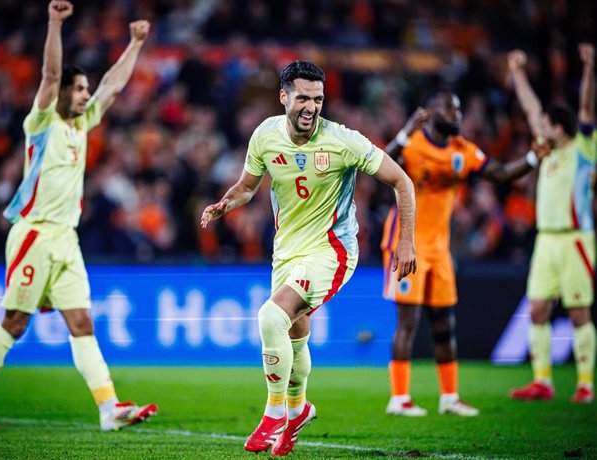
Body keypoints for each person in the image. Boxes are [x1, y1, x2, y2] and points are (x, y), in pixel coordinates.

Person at [0, 0, 157, 430]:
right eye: (80, 89)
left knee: (82, 322)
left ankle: (109, 409)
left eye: (86, 89)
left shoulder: (83, 125)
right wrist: (54, 24)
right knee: (15, 322)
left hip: (66, 237)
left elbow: (113, 87)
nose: (86, 95)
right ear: (63, 93)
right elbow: (49, 74)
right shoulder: (42, 123)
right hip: (33, 235)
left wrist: (135, 44)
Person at [201, 61, 417, 456]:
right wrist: (225, 203)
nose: (311, 107)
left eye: (317, 99)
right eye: (302, 97)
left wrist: (406, 241)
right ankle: (299, 410)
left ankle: (274, 413)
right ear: (283, 97)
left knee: (270, 317)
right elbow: (248, 187)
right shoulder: (265, 135)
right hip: (286, 252)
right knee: (295, 336)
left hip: (331, 251)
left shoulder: (343, 141)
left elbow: (402, 180)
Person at [381, 89, 550, 416]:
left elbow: (499, 173)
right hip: (405, 244)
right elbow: (379, 166)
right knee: (408, 323)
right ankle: (399, 398)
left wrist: (532, 158)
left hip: (440, 249)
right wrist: (404, 132)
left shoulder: (462, 151)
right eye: (450, 109)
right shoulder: (414, 145)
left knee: (444, 323)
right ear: (431, 112)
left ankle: (449, 397)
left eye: (459, 109)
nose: (457, 115)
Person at [507, 44, 596, 404]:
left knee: (578, 312)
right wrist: (516, 72)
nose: (539, 127)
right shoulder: (548, 149)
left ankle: (586, 384)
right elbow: (530, 108)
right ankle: (542, 381)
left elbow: (587, 107)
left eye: (545, 124)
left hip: (576, 238)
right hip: (546, 240)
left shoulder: (584, 148)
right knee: (539, 309)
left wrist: (589, 66)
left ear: (560, 127)